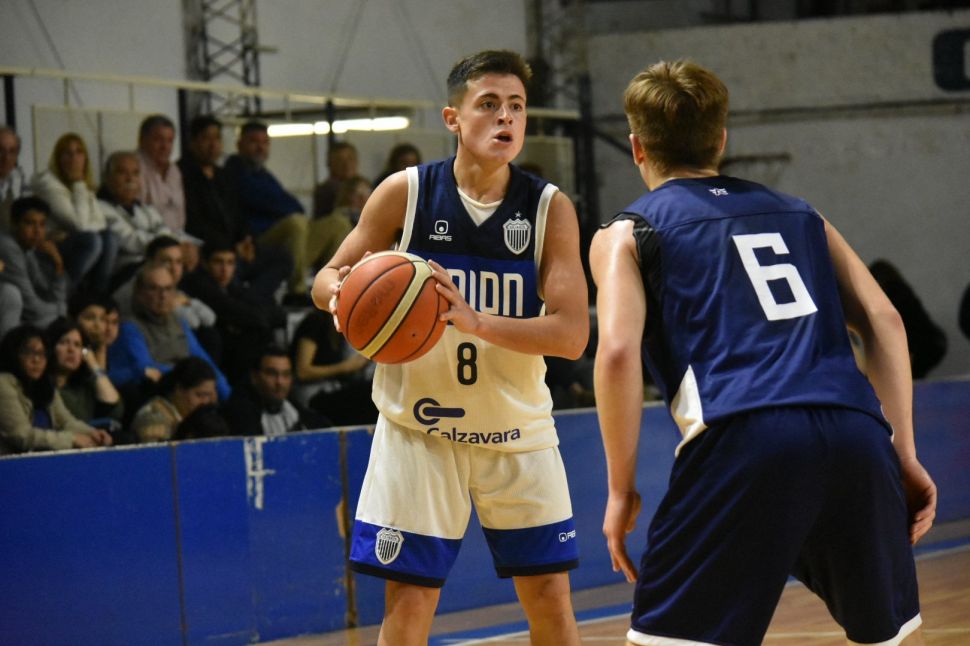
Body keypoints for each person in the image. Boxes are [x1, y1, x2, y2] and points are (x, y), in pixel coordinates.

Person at [589, 60, 937, 646]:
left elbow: (619, 353)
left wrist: (621, 490)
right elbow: (886, 321)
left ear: (637, 147)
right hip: (855, 431)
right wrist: (901, 450)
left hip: (742, 434)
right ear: (721, 140)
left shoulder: (625, 232)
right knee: (889, 637)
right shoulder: (803, 213)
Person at [311, 49, 588, 646]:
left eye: (516, 106)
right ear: (453, 118)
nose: (505, 117)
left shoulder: (549, 209)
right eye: (488, 104)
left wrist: (476, 321)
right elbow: (325, 277)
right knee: (410, 604)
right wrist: (344, 297)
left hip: (517, 432)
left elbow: (572, 335)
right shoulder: (406, 192)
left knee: (550, 599)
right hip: (420, 433)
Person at [180, 114, 291, 305]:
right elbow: (192, 221)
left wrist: (246, 239)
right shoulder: (183, 175)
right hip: (210, 252)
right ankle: (246, 302)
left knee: (282, 258)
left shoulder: (222, 175)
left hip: (236, 248)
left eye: (217, 138)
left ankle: (250, 299)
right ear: (193, 142)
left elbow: (238, 213)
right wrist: (230, 246)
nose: (213, 145)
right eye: (206, 138)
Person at [109, 263, 230, 402]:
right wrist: (194, 377)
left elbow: (205, 361)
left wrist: (227, 396)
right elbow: (147, 369)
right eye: (154, 289)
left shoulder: (179, 323)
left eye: (168, 288)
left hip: (190, 385)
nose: (163, 295)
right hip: (159, 393)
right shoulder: (129, 328)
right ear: (139, 292)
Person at [224, 120, 313, 305]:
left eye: (265, 142)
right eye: (254, 142)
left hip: (285, 240)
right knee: (295, 223)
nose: (260, 147)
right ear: (240, 145)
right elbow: (264, 200)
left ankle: (337, 284)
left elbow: (292, 204)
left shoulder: (264, 174)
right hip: (257, 241)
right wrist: (280, 206)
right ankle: (296, 292)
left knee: (337, 224)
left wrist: (279, 205)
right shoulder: (234, 171)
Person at [181, 239, 284, 385]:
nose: (225, 269)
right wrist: (253, 318)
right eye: (218, 262)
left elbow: (275, 313)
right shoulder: (198, 283)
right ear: (204, 263)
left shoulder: (231, 285)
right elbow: (234, 310)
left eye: (230, 263)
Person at [0, 324, 112, 454]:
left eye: (42, 354)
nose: (36, 359)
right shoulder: (3, 383)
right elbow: (20, 434)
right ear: (13, 354)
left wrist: (92, 433)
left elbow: (65, 422)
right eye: (29, 353)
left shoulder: (44, 384)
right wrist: (72, 439)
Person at [30, 133, 119, 289]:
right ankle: (64, 292)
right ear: (58, 158)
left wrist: (80, 186)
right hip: (49, 245)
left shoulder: (84, 187)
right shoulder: (48, 185)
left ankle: (97, 295)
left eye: (79, 152)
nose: (74, 158)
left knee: (110, 237)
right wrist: (78, 183)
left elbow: (101, 223)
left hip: (71, 239)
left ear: (85, 158)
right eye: (67, 153)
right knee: (92, 241)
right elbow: (79, 225)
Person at [98, 151, 196, 285]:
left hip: (159, 264)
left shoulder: (146, 209)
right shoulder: (100, 208)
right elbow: (131, 241)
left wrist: (180, 246)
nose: (130, 179)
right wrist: (172, 245)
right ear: (107, 178)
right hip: (127, 274)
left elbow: (165, 232)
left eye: (135, 173)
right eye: (122, 173)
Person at [289, 308, 375, 426]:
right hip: (312, 395)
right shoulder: (315, 322)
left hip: (331, 390)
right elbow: (302, 371)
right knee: (368, 393)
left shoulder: (339, 330)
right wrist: (346, 367)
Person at [222, 345, 330, 437]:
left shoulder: (297, 411)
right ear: (254, 377)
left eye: (286, 374)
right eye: (272, 374)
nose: (280, 382)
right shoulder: (237, 415)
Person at [868, 259, 947, 379]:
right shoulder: (900, 291)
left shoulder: (892, 294)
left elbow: (906, 325)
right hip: (930, 342)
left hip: (919, 344)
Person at [0, 196, 68, 328]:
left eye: (42, 224)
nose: (37, 231)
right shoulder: (7, 247)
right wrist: (61, 310)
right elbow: (32, 307)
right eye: (30, 223)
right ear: (14, 224)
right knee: (11, 294)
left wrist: (58, 265)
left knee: (57, 322)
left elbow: (45, 291)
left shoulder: (28, 248)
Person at [45, 316, 123, 431]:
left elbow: (115, 409)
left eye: (77, 345)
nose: (71, 350)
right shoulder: (44, 387)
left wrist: (93, 365)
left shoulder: (84, 386)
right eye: (64, 342)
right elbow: (77, 417)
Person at [129, 355, 217, 443]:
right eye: (200, 395)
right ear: (179, 390)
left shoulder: (201, 419)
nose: (206, 402)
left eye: (210, 396)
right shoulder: (154, 418)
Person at [137, 115, 187, 237]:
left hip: (178, 236)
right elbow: (138, 217)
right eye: (158, 140)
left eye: (170, 141)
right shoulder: (135, 168)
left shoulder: (174, 170)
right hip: (151, 239)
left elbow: (180, 213)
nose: (165, 147)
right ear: (142, 141)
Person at [313, 140, 360, 217]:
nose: (346, 164)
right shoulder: (325, 191)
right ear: (330, 164)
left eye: (350, 158)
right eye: (340, 160)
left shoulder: (365, 186)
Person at [1, 125, 29, 232]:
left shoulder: (18, 176)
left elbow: (30, 211)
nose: (6, 158)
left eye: (12, 151)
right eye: (0, 150)